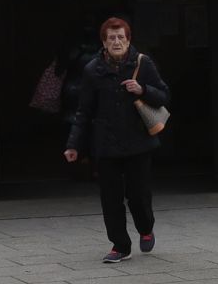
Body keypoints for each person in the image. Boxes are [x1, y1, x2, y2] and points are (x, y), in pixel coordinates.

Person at [63, 17, 169, 263]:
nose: (117, 41)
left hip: (138, 143)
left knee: (139, 195)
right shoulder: (92, 70)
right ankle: (120, 245)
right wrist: (73, 145)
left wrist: (142, 90)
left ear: (128, 39)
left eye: (121, 37)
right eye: (112, 38)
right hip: (106, 144)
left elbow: (165, 95)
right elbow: (84, 111)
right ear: (104, 42)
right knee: (110, 199)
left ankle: (145, 227)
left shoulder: (143, 64)